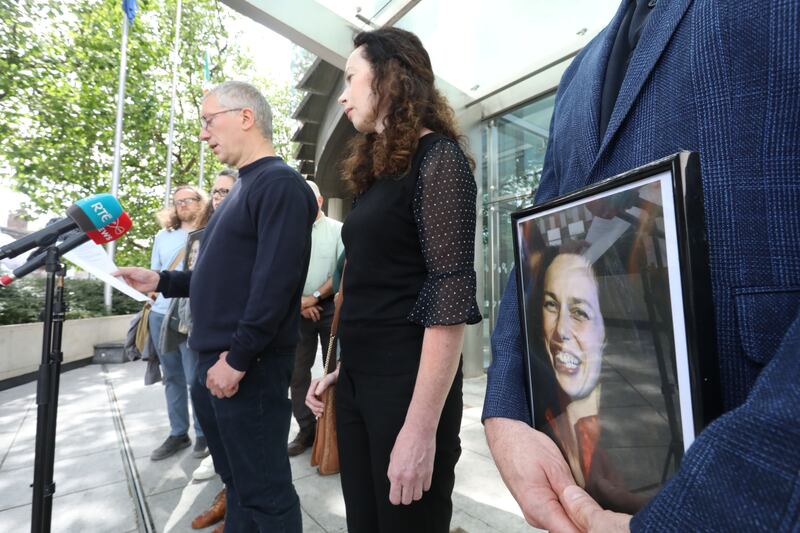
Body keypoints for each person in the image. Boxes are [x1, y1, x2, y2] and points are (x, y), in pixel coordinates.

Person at [482, 1, 800, 531]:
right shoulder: (578, 73)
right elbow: (536, 233)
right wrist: (506, 410)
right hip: (590, 484)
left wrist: (719, 506)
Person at [116, 80, 317, 533]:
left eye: (209, 121)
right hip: (216, 362)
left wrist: (239, 359)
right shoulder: (240, 188)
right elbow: (224, 277)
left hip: (246, 368)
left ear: (246, 117)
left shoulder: (279, 184)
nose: (204, 134)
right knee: (238, 486)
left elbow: (273, 285)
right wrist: (162, 280)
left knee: (265, 495)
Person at [305, 27, 481, 533]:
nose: (342, 93)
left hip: (407, 393)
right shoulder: (381, 173)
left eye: (350, 77)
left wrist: (421, 430)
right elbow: (377, 285)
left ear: (389, 76)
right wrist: (344, 370)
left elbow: (449, 295)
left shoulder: (439, 159)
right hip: (362, 383)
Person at [189, 168, 238, 533]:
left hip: (232, 353)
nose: (218, 197)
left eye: (226, 191)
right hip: (199, 342)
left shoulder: (245, 233)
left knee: (239, 443)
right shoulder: (202, 236)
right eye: (215, 191)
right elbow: (196, 282)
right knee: (215, 437)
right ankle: (228, 496)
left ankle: (237, 508)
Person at [148, 184, 210, 461]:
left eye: (189, 199)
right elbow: (154, 273)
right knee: (171, 376)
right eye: (177, 201)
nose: (183, 204)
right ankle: (178, 433)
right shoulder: (163, 236)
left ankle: (203, 433)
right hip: (161, 313)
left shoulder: (208, 232)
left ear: (201, 201)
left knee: (195, 377)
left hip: (191, 314)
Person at [287, 179, 344, 457]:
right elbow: (283, 270)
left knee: (333, 371)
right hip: (297, 312)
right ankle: (307, 430)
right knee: (297, 374)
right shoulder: (287, 230)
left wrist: (315, 297)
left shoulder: (338, 230)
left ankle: (335, 429)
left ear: (320, 201)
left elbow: (339, 273)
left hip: (329, 311)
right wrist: (300, 303)